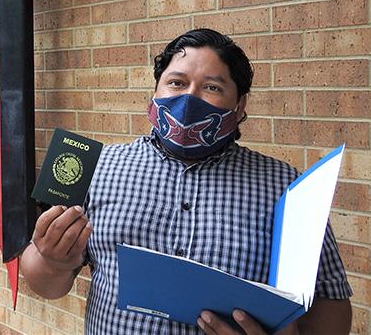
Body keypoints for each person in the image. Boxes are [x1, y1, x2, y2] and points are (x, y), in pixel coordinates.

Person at [20, 28, 352, 334]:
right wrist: (51, 260)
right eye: (177, 83)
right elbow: (46, 283)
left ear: (239, 106)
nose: (190, 98)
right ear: (154, 92)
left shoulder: (285, 185)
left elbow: (330, 302)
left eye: (212, 87)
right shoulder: (94, 168)